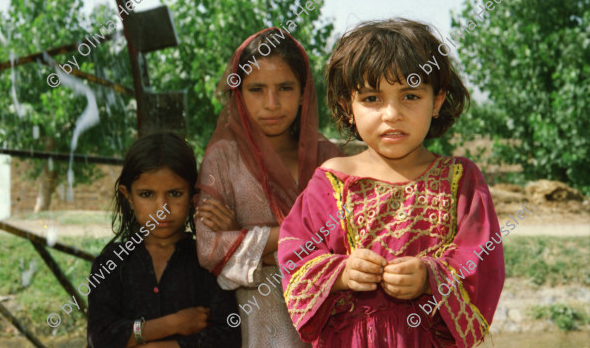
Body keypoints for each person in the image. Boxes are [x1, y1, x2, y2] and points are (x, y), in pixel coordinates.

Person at [278, 19, 505, 348]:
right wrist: (341, 274)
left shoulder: (460, 179)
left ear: (437, 101)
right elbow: (294, 257)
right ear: (347, 106)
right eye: (371, 98)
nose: (391, 114)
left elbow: (484, 263)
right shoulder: (331, 181)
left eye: (410, 96)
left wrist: (430, 277)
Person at [194, 27, 343, 347]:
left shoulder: (328, 159)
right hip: (254, 319)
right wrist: (298, 241)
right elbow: (208, 248)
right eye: (257, 89)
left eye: (285, 88)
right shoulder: (223, 159)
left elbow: (345, 240)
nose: (272, 103)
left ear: (304, 92)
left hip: (325, 316)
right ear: (239, 92)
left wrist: (247, 238)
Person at [87, 132, 241, 348]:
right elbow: (100, 337)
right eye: (147, 194)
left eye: (175, 193)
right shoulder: (112, 262)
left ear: (192, 195)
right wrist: (173, 324)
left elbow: (227, 337)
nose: (162, 209)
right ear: (128, 196)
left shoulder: (208, 258)